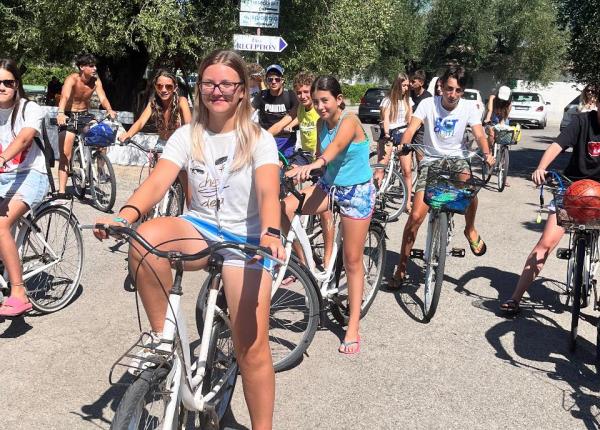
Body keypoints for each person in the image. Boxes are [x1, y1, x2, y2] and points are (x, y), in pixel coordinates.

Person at [93, 49, 283, 429]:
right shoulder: (187, 134)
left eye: (226, 83)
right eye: (209, 83)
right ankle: (162, 339)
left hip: (246, 236)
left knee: (251, 347)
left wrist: (271, 232)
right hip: (200, 227)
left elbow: (267, 192)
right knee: (146, 238)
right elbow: (157, 182)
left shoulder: (259, 139)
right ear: (200, 88)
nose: (217, 90)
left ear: (242, 91)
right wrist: (125, 215)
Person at [281, 76, 375, 355]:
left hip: (356, 192)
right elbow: (322, 162)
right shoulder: (321, 124)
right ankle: (303, 265)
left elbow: (329, 154)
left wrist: (312, 166)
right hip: (329, 186)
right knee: (284, 207)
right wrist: (298, 174)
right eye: (317, 100)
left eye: (325, 100)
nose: (321, 106)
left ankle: (353, 326)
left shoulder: (349, 122)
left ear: (339, 99)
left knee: (352, 260)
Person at [390, 66, 495, 288]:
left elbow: (478, 133)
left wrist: (486, 154)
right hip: (431, 160)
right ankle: (401, 267)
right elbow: (412, 128)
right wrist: (404, 144)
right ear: (441, 87)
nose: (452, 94)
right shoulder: (428, 104)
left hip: (457, 158)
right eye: (449, 89)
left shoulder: (468, 107)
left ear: (463, 91)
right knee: (416, 216)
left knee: (470, 189)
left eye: (458, 90)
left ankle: (470, 228)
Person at [500, 86, 600, 314]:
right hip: (572, 190)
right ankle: (516, 298)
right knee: (544, 244)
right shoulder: (582, 121)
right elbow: (557, 145)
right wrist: (541, 167)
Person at [0, 59, 49, 316]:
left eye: (7, 82)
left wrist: (3, 158)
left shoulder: (31, 109)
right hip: (4, 178)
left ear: (16, 84)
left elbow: (25, 138)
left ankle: (18, 292)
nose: (2, 87)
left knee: (1, 225)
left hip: (32, 174)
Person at [56, 53, 116, 197]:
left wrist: (109, 109)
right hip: (69, 115)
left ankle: (101, 171)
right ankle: (62, 191)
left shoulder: (95, 81)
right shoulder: (72, 79)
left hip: (84, 115)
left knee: (102, 137)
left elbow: (103, 98)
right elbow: (64, 96)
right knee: (66, 154)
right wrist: (60, 113)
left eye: (95, 65)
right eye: (91, 66)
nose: (95, 68)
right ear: (82, 67)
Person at [118, 69, 192, 146]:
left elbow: (189, 126)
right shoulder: (153, 102)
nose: (164, 90)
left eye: (169, 87)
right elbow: (141, 122)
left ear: (175, 87)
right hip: (160, 144)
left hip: (177, 145)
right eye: (159, 86)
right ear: (155, 87)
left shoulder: (181, 101)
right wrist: (128, 134)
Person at [252, 64, 299, 159]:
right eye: (270, 79)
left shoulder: (291, 95)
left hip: (285, 140)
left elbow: (299, 115)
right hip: (266, 139)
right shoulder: (262, 95)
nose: (273, 82)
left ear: (282, 80)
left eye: (277, 79)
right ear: (266, 81)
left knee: (283, 169)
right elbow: (248, 111)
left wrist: (290, 126)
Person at [374, 72, 413, 185]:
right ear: (397, 85)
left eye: (407, 85)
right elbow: (385, 119)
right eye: (404, 85)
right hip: (389, 134)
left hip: (403, 135)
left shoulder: (408, 100)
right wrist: (386, 133)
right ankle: (374, 194)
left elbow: (410, 120)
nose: (406, 88)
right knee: (380, 169)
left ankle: (407, 201)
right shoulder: (388, 100)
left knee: (407, 171)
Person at [409, 70, 432, 149]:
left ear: (421, 83)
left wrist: (416, 127)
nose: (410, 84)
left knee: (420, 157)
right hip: (408, 128)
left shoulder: (428, 97)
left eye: (413, 82)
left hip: (421, 131)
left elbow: (427, 116)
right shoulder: (409, 93)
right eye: (410, 81)